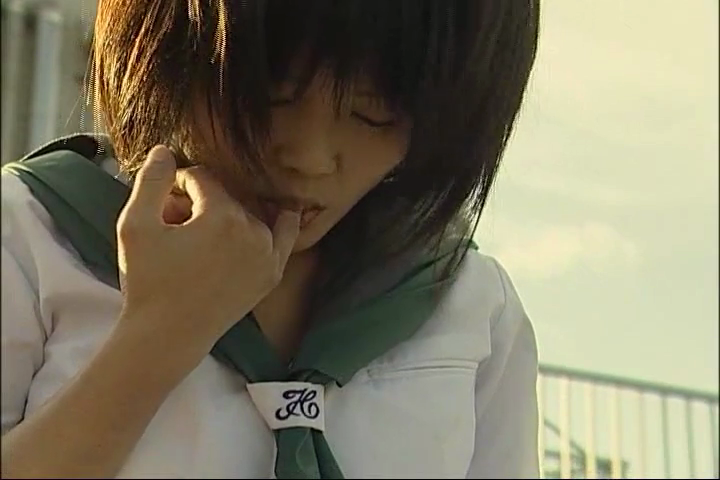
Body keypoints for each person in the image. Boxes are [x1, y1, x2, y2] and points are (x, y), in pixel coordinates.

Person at [1, 0, 541, 478]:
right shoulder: (31, 236)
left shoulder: (468, 304)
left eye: (373, 113)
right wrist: (157, 337)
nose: (308, 157)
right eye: (270, 94)